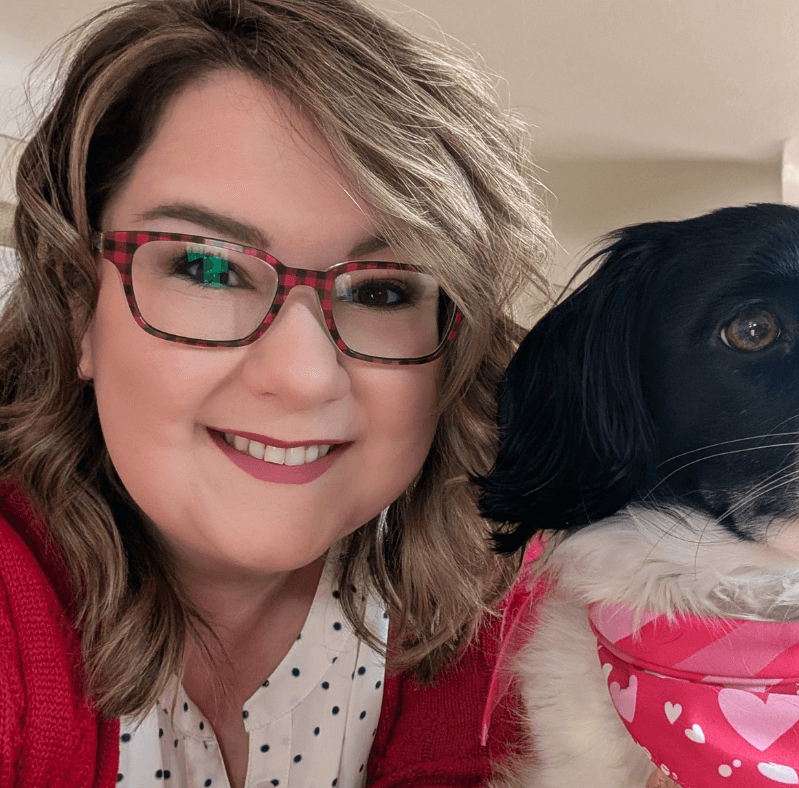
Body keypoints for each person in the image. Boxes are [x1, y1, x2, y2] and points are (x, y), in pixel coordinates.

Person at [0, 0, 553, 785]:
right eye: (207, 267)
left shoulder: (518, 630)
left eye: (387, 289)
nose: (302, 376)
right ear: (78, 303)